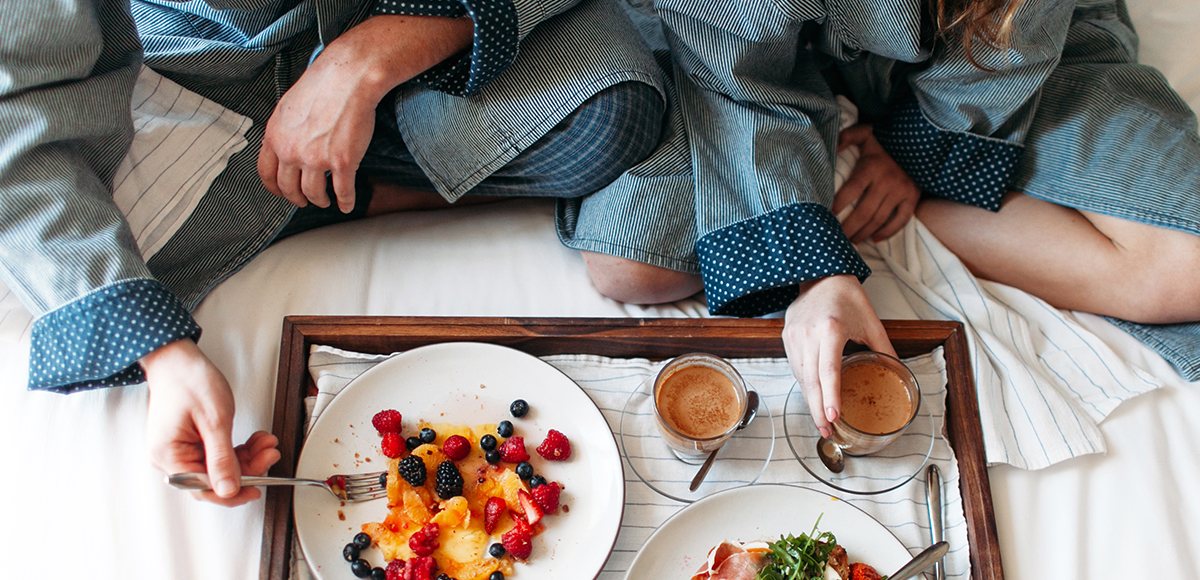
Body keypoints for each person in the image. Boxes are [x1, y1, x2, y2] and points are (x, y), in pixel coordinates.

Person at [0, 0, 696, 506]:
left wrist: (361, 61)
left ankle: (341, 179)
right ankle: (348, 191)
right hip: (193, 79)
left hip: (416, 21)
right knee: (78, 255)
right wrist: (164, 356)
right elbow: (17, 124)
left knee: (614, 117)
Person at [639, 0, 1200, 438]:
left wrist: (911, 152)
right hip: (751, 64)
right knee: (636, 271)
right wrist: (814, 271)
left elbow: (1012, 49)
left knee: (1187, 267)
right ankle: (851, 189)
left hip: (1001, 62)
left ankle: (891, 191)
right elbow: (732, 68)